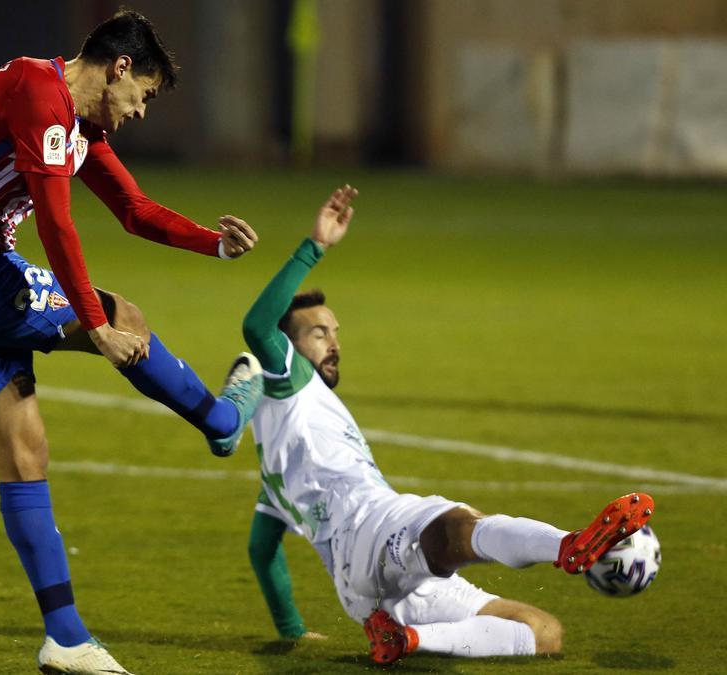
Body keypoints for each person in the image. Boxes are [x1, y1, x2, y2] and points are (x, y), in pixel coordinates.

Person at [0, 10, 263, 674]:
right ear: (120, 67)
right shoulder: (40, 90)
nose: (141, 111)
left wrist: (212, 242)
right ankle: (222, 420)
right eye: (144, 95)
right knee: (124, 314)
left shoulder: (77, 124)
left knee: (25, 452)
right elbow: (57, 222)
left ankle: (64, 637)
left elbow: (133, 209)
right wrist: (94, 321)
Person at [237, 185, 654, 663]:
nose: (334, 343)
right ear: (287, 348)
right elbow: (257, 327)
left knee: (542, 632)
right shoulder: (292, 378)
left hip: (367, 593)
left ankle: (407, 639)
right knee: (456, 522)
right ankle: (569, 545)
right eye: (318, 333)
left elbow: (261, 549)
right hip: (374, 527)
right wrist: (315, 246)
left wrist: (293, 631)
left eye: (336, 332)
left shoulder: (276, 459)